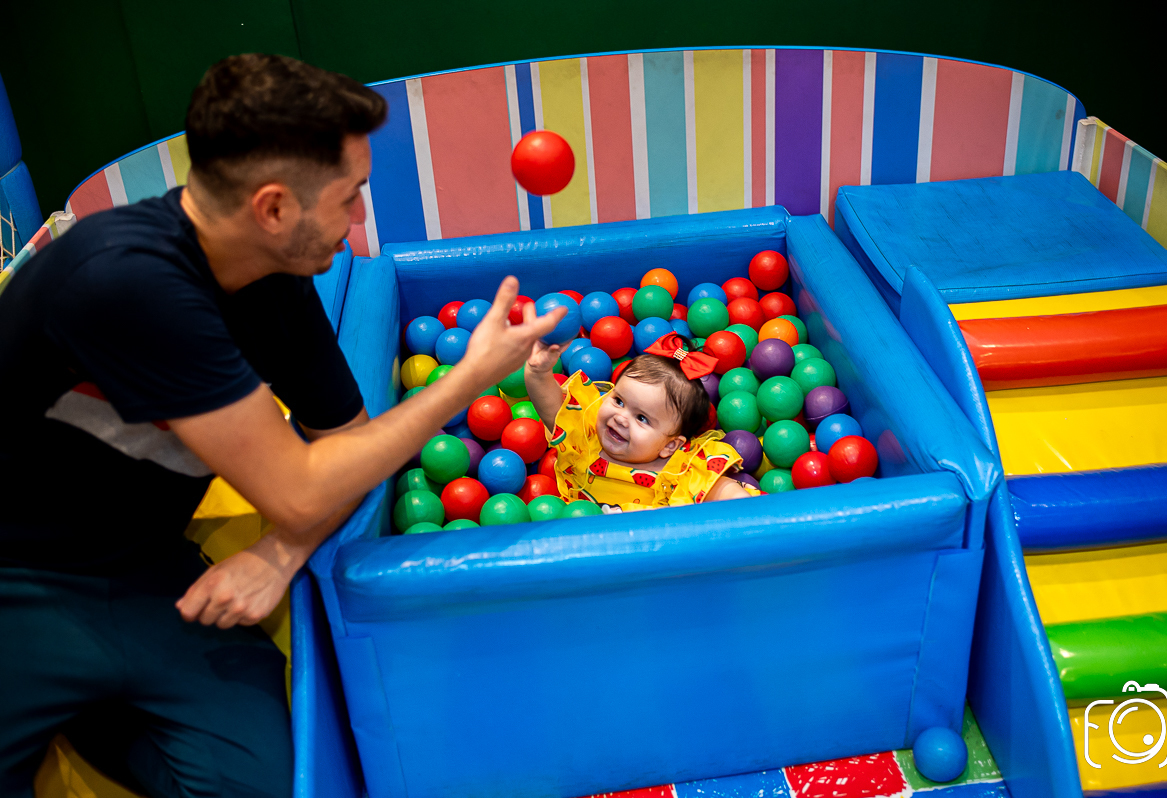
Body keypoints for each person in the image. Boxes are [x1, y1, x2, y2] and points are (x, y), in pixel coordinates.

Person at [0, 54, 563, 798]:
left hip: (143, 573)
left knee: (263, 784)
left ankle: (93, 707)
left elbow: (347, 446)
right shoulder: (127, 281)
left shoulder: (273, 280)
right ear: (272, 209)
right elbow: (300, 489)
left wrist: (281, 552)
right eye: (348, 197)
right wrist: (468, 378)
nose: (357, 219)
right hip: (18, 575)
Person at [525, 332, 754, 510]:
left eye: (642, 418)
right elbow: (552, 408)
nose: (621, 418)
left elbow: (723, 490)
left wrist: (742, 505)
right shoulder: (586, 437)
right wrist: (537, 372)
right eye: (619, 401)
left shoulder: (680, 471)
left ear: (670, 446)